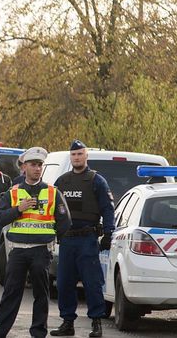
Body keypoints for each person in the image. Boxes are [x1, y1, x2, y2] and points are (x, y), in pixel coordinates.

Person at [0, 147, 71, 338]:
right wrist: (18, 209)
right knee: (11, 294)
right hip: (17, 250)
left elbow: (65, 222)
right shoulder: (13, 193)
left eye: (40, 165)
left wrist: (50, 238)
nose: (37, 168)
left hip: (41, 250)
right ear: (24, 167)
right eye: (33, 165)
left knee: (41, 295)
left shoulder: (52, 192)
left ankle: (38, 333)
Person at [50, 140, 115, 338]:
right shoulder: (61, 182)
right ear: (70, 158)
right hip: (67, 240)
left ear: (86, 156)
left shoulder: (97, 181)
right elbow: (51, 210)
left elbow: (107, 209)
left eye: (80, 154)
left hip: (87, 239)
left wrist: (108, 232)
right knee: (64, 283)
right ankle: (67, 323)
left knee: (92, 283)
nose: (77, 157)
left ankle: (96, 323)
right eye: (74, 155)